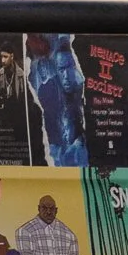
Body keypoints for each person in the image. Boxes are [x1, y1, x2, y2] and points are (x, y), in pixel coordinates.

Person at [24, 34, 88, 167]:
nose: (66, 75)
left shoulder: (80, 85)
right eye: (61, 70)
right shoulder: (46, 88)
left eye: (69, 68)